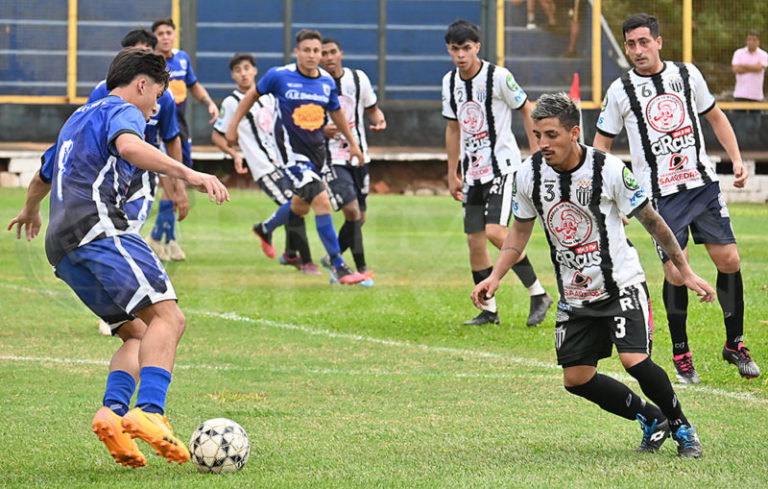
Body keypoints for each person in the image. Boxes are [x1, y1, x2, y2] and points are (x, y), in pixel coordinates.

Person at [7, 48, 229, 468]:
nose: (156, 108)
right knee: (170, 319)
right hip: (101, 228)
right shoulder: (122, 110)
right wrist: (191, 174)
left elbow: (42, 174)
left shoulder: (78, 118)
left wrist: (30, 210)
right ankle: (149, 412)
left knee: (138, 334)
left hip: (61, 248)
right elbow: (129, 147)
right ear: (141, 85)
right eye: (158, 97)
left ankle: (111, 412)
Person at [473, 92, 711, 457]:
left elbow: (654, 223)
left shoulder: (609, 170)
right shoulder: (529, 174)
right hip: (575, 293)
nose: (543, 143)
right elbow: (518, 234)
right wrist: (496, 277)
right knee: (576, 379)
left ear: (573, 132)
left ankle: (682, 428)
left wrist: (687, 271)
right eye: (537, 135)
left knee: (635, 360)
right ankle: (651, 417)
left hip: (621, 284)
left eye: (551, 134)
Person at [594, 13, 760, 383]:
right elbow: (602, 145)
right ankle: (682, 351)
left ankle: (734, 344)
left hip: (701, 185)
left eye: (643, 42)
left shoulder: (687, 75)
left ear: (658, 42)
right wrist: (612, 198)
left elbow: (715, 117)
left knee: (729, 259)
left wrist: (735, 159)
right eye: (631, 44)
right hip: (658, 196)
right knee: (674, 269)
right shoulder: (620, 91)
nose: (638, 50)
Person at [225, 29, 368, 285]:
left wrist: (353, 144)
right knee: (322, 201)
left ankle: (265, 228)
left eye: (317, 51)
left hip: (317, 154)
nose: (313, 55)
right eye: (307, 50)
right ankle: (338, 265)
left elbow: (336, 113)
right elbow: (251, 96)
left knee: (300, 205)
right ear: (297, 52)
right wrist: (233, 125)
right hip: (290, 155)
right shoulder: (279, 76)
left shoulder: (326, 81)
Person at [442, 19, 553, 326]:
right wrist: (453, 172)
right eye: (455, 49)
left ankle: (538, 292)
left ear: (477, 47)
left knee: (494, 231)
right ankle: (488, 310)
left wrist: (534, 154)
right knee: (475, 241)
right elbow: (453, 128)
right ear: (448, 50)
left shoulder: (498, 77)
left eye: (466, 48)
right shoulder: (449, 82)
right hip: (473, 173)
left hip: (503, 169)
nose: (461, 55)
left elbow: (527, 109)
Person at [88, 29, 188, 335]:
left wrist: (178, 184)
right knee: (108, 242)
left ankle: (123, 311)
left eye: (148, 51)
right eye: (136, 51)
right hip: (108, 181)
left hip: (142, 179)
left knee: (127, 233)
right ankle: (116, 310)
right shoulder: (101, 94)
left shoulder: (164, 97)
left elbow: (172, 139)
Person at [212, 53, 319, 275]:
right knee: (293, 205)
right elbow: (217, 135)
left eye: (246, 68)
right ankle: (304, 259)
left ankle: (289, 252)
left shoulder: (269, 97)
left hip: (283, 161)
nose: (243, 73)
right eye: (238, 70)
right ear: (233, 76)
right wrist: (234, 154)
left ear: (255, 71)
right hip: (263, 166)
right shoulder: (231, 103)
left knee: (298, 205)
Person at [148, 17, 220, 261]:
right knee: (170, 182)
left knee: (179, 181)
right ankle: (162, 238)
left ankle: (164, 238)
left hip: (180, 129)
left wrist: (209, 103)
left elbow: (194, 85)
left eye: (169, 32)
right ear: (154, 38)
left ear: (175, 35)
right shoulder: (150, 64)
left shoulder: (182, 58)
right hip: (160, 130)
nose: (165, 37)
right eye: (160, 33)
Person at [319, 37, 387, 285]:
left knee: (360, 217)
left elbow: (372, 108)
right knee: (352, 211)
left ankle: (332, 258)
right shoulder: (315, 84)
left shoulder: (358, 79)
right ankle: (361, 270)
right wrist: (320, 130)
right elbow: (304, 122)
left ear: (341, 53)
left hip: (359, 156)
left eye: (332, 52)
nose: (328, 57)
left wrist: (379, 119)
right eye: (323, 53)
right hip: (331, 158)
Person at [732, 30, 768, 102]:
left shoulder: (764, 54)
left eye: (754, 40)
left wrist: (742, 65)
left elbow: (760, 68)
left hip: (756, 96)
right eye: (749, 39)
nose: (751, 42)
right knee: (737, 113)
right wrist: (754, 68)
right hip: (740, 94)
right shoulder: (738, 53)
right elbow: (735, 69)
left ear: (758, 42)